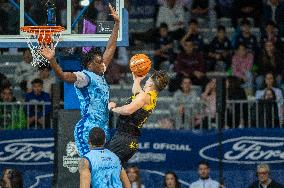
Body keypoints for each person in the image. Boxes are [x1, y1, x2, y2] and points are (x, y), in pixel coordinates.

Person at [40, 4, 119, 156]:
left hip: (102, 128)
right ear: (90, 65)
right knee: (87, 167)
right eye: (98, 61)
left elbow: (111, 47)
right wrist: (52, 59)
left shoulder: (100, 72)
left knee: (98, 169)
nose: (102, 62)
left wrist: (116, 23)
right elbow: (63, 76)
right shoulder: (84, 76)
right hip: (88, 129)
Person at [106, 70, 169, 165]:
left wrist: (112, 108)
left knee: (105, 164)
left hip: (123, 138)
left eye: (148, 79)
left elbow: (127, 110)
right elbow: (136, 92)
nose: (147, 80)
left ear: (151, 83)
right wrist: (136, 80)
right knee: (117, 169)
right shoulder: (150, 97)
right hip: (130, 140)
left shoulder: (144, 97)